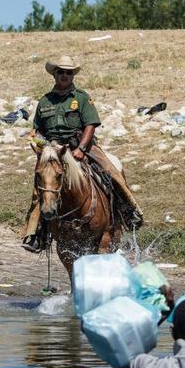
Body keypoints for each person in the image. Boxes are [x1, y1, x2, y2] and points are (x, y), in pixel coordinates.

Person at [21, 55, 143, 252]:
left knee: (109, 170)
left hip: (81, 146)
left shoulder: (81, 97)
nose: (65, 76)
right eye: (61, 72)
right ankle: (36, 233)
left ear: (72, 75)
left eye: (69, 73)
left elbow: (90, 125)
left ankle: (130, 209)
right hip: (54, 150)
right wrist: (39, 143)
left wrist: (81, 149)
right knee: (42, 186)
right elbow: (37, 130)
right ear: (55, 74)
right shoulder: (44, 102)